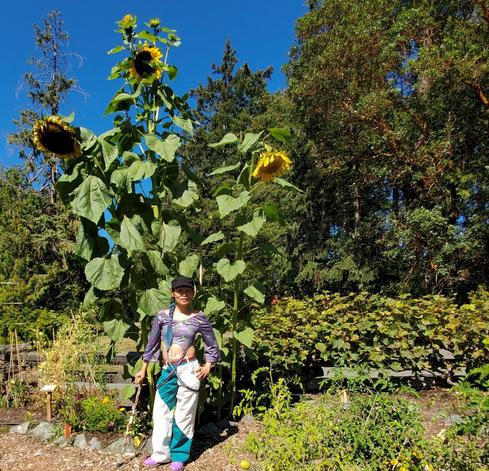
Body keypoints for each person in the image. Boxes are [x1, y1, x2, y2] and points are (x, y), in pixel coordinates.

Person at [134, 276, 220, 470]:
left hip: (190, 369)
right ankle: (160, 454)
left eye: (188, 290)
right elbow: (152, 344)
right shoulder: (163, 316)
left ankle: (179, 455)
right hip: (167, 370)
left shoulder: (199, 317)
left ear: (193, 293)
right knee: (160, 412)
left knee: (184, 414)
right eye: (180, 290)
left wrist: (208, 365)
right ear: (173, 293)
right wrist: (143, 369)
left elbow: (211, 344)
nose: (184, 294)